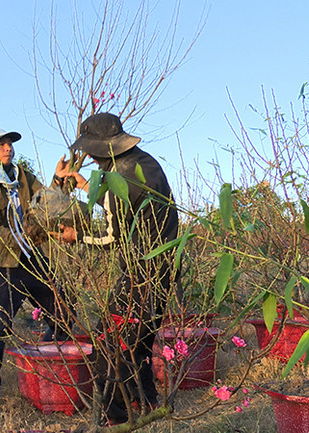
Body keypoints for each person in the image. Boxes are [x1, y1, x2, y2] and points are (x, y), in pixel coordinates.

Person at [54, 113, 179, 424]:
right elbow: (126, 203)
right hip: (161, 269)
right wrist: (87, 186)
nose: (91, 158)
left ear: (99, 148)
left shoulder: (117, 176)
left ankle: (115, 418)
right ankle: (147, 404)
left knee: (107, 347)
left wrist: (76, 236)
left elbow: (111, 236)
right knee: (139, 343)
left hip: (139, 274)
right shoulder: (142, 162)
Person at [0, 127, 73, 394]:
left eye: (10, 144)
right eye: (1, 145)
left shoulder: (24, 178)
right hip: (3, 264)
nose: (8, 148)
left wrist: (59, 180)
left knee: (62, 313)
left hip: (33, 259)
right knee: (1, 323)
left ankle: (47, 362)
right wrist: (24, 237)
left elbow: (46, 203)